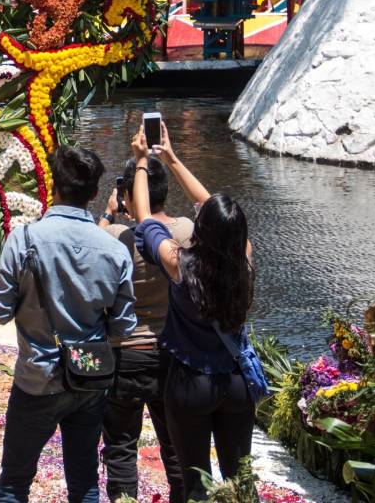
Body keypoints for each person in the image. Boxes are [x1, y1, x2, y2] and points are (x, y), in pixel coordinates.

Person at [0, 145, 137, 503]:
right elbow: (123, 327)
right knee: (85, 478)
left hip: (37, 377)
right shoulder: (115, 249)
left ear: (54, 187)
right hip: (89, 377)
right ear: (94, 194)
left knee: (15, 481)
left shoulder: (23, 239)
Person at [131, 123, 256, 502]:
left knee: (195, 481)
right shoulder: (245, 260)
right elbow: (210, 209)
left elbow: (145, 219)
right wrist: (173, 159)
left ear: (201, 230)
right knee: (240, 479)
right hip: (236, 383)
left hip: (189, 383)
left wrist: (142, 162)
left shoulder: (180, 263)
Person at [97, 156, 192, 503]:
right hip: (174, 352)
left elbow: (85, 251)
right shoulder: (185, 231)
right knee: (177, 445)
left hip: (126, 353)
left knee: (121, 446)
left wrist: (108, 213)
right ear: (164, 190)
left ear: (126, 194)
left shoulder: (114, 237)